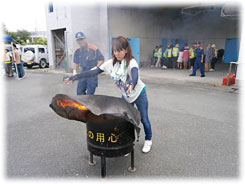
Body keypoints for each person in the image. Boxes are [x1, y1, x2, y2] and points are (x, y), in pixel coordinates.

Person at [65, 36, 153, 153]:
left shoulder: (131, 61)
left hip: (139, 93)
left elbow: (134, 73)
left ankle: (148, 140)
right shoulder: (110, 64)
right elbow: (93, 72)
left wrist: (132, 83)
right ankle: (128, 143)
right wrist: (75, 77)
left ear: (126, 50)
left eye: (120, 50)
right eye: (115, 50)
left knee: (144, 119)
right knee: (128, 120)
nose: (117, 53)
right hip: (126, 96)